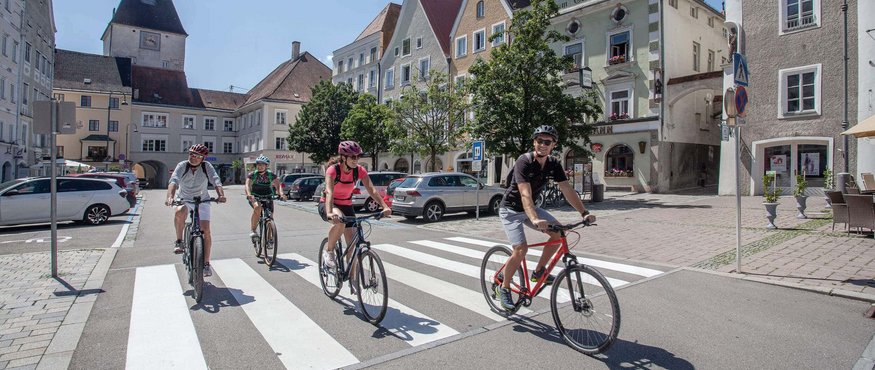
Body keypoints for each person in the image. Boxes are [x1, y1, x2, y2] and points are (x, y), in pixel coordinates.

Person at [496, 125, 597, 311]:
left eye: (547, 142)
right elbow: (525, 193)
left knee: (558, 234)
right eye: (539, 141)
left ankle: (538, 271)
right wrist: (534, 219)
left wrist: (584, 213)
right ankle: (505, 287)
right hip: (511, 210)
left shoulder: (553, 163)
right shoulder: (523, 161)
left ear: (553, 145)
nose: (543, 144)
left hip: (532, 208)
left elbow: (567, 189)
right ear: (534, 142)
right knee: (521, 249)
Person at [319, 140, 391, 269]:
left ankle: (353, 281)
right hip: (329, 204)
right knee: (340, 221)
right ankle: (329, 251)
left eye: (358, 156)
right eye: (353, 157)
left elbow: (372, 190)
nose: (356, 159)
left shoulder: (359, 170)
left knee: (352, 245)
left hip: (346, 205)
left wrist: (384, 206)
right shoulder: (333, 170)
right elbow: (329, 191)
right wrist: (329, 212)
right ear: (344, 157)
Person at [165, 144, 227, 277]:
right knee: (179, 211)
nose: (193, 158)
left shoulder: (206, 166)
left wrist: (221, 195)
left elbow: (216, 181)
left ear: (202, 158)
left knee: (206, 230)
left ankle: (206, 263)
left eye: (197, 156)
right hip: (185, 198)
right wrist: (170, 196)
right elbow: (174, 181)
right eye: (191, 154)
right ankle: (179, 241)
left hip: (202, 200)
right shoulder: (182, 165)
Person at [245, 155, 287, 241]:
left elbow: (278, 186)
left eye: (262, 165)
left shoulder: (271, 175)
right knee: (257, 207)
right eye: (258, 164)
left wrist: (281, 194)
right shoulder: (252, 175)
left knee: (270, 217)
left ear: (266, 166)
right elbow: (247, 185)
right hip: (255, 196)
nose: (260, 166)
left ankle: (270, 238)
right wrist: (249, 195)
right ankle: (253, 230)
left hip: (268, 196)